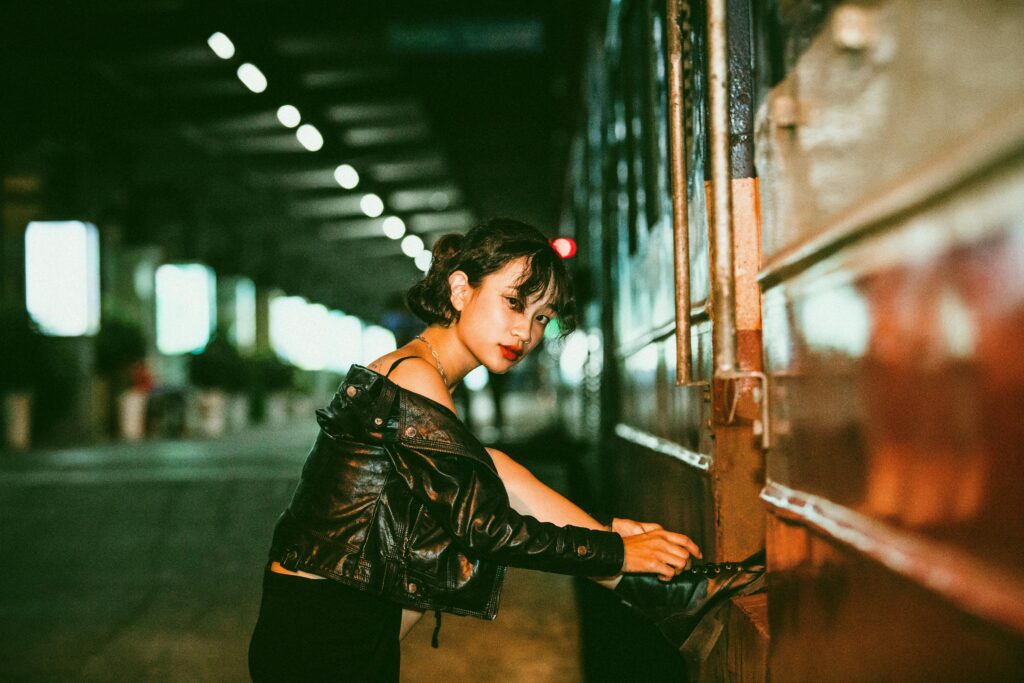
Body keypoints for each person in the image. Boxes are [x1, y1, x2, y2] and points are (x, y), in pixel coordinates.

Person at [248, 218, 763, 682]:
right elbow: (487, 529)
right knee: (488, 478)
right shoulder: (414, 378)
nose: (526, 331)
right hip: (321, 637)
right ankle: (652, 590)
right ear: (460, 290)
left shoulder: (418, 372)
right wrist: (617, 550)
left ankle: (656, 593)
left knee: (492, 465)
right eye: (514, 303)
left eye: (542, 318)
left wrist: (602, 534)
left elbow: (484, 494)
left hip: (328, 621)